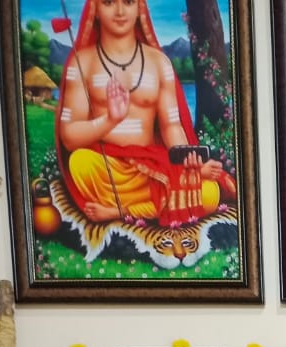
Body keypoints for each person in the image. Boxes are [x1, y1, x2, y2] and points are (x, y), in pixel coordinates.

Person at [56, 0, 231, 227]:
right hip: (108, 169)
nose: (120, 11)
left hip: (154, 165)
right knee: (80, 162)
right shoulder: (82, 63)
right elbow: (69, 136)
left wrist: (188, 162)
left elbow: (171, 126)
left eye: (128, 2)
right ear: (95, 10)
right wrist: (110, 120)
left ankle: (121, 210)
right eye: (109, 3)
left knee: (208, 193)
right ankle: (154, 204)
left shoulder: (159, 63)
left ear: (140, 8)